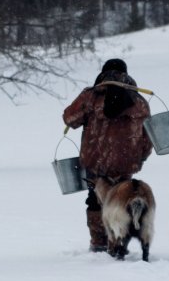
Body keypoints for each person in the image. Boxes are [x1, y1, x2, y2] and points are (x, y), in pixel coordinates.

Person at [62, 59, 154, 252]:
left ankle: (98, 243)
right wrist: (140, 158)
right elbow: (148, 137)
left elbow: (69, 118)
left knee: (95, 200)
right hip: (126, 162)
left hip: (95, 162)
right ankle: (117, 241)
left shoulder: (90, 96)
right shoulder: (139, 101)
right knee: (120, 201)